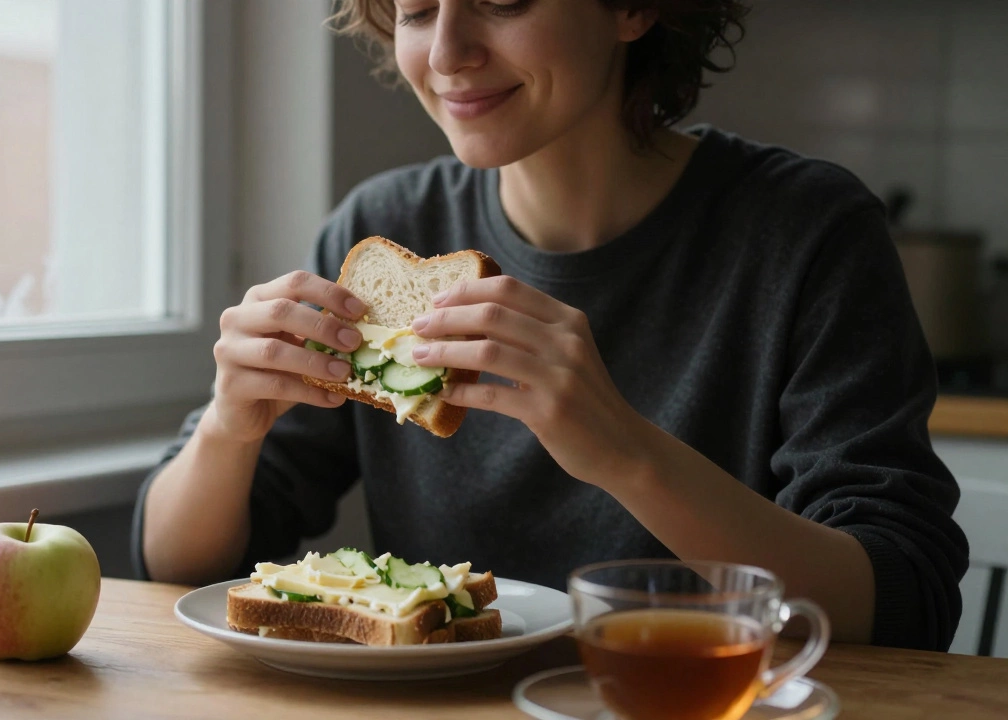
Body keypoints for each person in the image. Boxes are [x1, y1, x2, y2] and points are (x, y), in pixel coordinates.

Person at [131, 0, 969, 652]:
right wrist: (226, 429)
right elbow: (177, 568)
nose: (449, 53)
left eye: (503, 1)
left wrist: (622, 449)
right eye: (418, 11)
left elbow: (901, 604)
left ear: (632, 9)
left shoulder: (807, 232)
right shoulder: (386, 225)